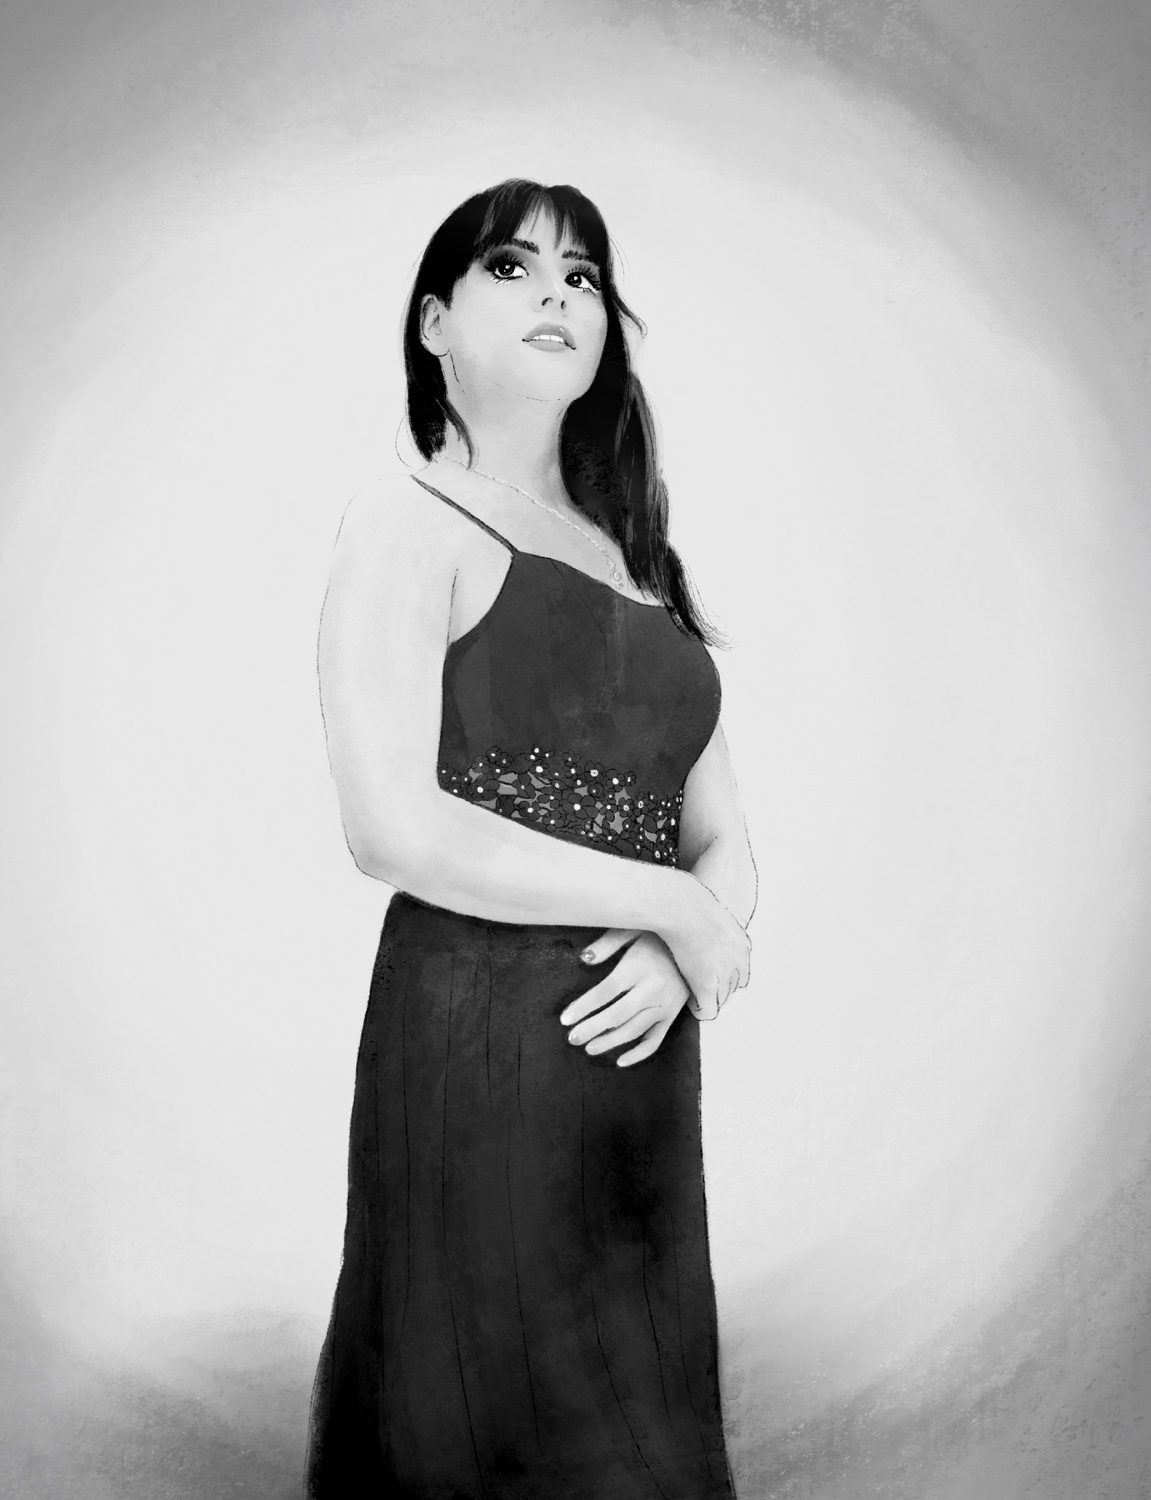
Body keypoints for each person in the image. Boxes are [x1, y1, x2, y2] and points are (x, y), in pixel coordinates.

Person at [305, 178, 757, 1499]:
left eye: (582, 276)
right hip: (478, 1047)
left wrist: (681, 943)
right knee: (476, 1420)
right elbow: (391, 829)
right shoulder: (406, 521)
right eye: (511, 267)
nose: (557, 292)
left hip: (641, 1065)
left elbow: (724, 836)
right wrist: (671, 909)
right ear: (434, 322)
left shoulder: (642, 563)